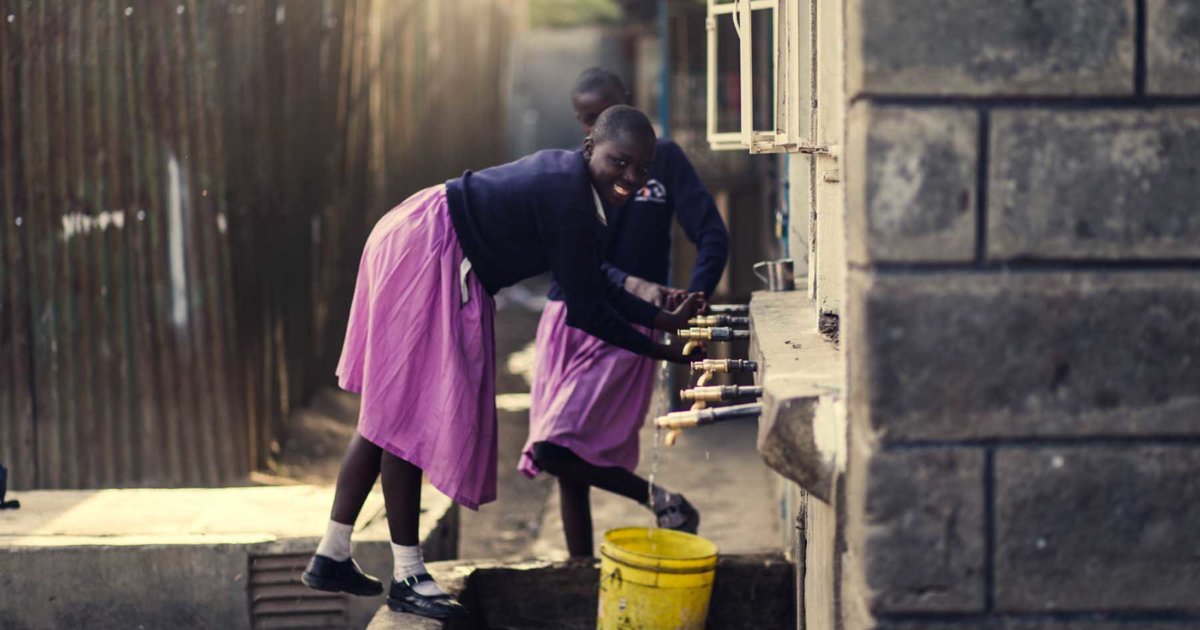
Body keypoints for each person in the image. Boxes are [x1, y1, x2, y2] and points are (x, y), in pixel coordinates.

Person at [300, 105, 704, 620]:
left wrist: (662, 322)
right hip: (429, 247)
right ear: (590, 150)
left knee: (388, 411)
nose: (631, 177)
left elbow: (591, 281)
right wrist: (661, 349)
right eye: (620, 162)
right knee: (404, 416)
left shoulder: (576, 190)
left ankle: (333, 553)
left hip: (417, 234)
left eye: (642, 169)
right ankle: (408, 576)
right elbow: (585, 310)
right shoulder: (569, 196)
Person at [519, 68, 730, 558]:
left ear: (628, 106)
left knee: (561, 446)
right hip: (567, 316)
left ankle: (662, 500)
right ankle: (581, 567)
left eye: (605, 114)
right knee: (563, 456)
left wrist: (693, 298)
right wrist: (643, 286)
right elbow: (579, 264)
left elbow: (712, 235)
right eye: (585, 120)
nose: (594, 128)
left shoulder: (666, 162)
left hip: (630, 324)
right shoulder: (575, 172)